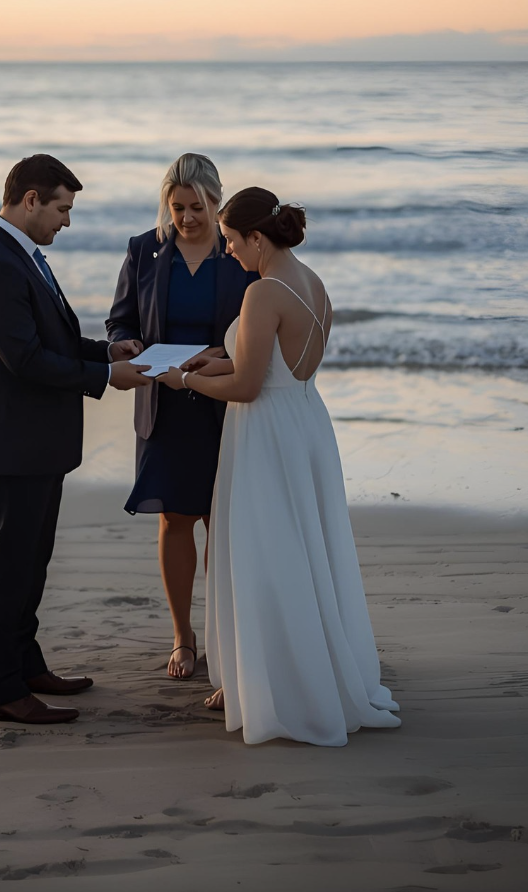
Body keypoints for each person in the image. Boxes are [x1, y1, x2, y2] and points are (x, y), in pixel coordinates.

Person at [160, 187, 401, 745]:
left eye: (231, 240)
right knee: (301, 550)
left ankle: (268, 683)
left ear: (257, 237)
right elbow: (280, 367)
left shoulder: (262, 292)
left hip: (265, 434)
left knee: (264, 553)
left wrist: (184, 379)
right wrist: (215, 359)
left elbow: (249, 387)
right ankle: (282, 670)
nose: (227, 250)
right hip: (306, 424)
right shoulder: (314, 283)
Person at [0, 154, 150, 725]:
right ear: (30, 200)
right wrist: (106, 377)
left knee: (31, 564)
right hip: (11, 445)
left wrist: (105, 351)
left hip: (34, 443)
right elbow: (25, 361)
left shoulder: (19, 256)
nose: (67, 221)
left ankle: (26, 666)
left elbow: (51, 341)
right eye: (62, 209)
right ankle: (1, 691)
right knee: (7, 570)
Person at [107, 154, 256, 679]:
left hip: (224, 403)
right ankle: (183, 637)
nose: (187, 218)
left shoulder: (238, 254)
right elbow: (120, 319)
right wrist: (125, 343)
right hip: (164, 406)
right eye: (178, 208)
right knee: (174, 518)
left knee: (223, 522)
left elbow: (256, 329)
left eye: (197, 207)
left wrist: (220, 355)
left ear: (217, 202)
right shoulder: (143, 250)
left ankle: (223, 635)